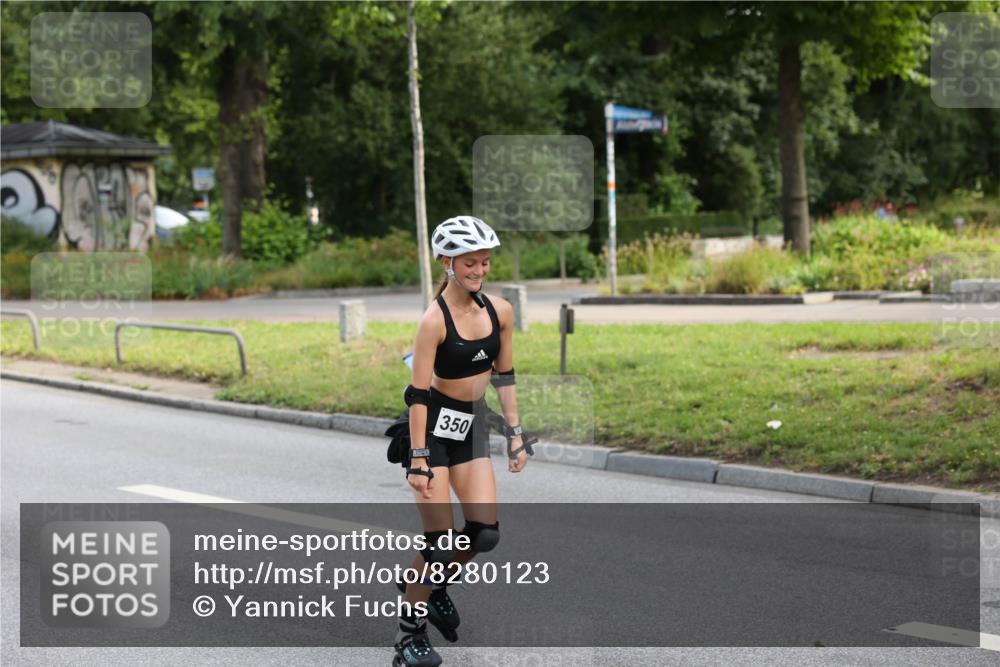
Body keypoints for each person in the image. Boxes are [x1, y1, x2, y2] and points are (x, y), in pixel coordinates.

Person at [391, 216, 532, 667]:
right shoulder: (434, 320)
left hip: (471, 424)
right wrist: (417, 459)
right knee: (437, 543)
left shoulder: (500, 311)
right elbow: (416, 395)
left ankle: (430, 589)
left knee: (484, 534)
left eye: (485, 262)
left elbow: (505, 376)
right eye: (471, 262)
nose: (480, 270)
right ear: (447, 262)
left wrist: (515, 432)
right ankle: (407, 637)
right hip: (430, 429)